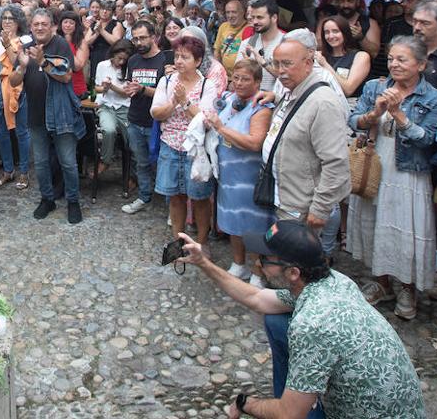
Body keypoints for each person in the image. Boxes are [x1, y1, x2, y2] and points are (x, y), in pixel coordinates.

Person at [177, 220, 425, 419]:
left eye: (265, 260)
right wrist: (203, 263)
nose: (258, 263)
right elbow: (256, 297)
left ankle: (299, 397)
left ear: (293, 272)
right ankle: (297, 392)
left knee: (290, 405)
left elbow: (289, 414)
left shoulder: (311, 324)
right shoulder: (335, 281)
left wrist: (246, 403)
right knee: (276, 320)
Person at [347, 36, 437, 319]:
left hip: (408, 170)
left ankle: (406, 287)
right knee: (374, 223)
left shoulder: (434, 97)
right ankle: (381, 283)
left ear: (421, 64)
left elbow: (427, 140)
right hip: (375, 161)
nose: (394, 64)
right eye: (391, 59)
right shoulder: (374, 87)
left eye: (402, 59)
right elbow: (353, 121)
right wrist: (374, 114)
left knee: (403, 226)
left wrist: (399, 116)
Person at [259, 38, 350, 256]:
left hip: (302, 204)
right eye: (277, 64)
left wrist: (320, 209)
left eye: (287, 63)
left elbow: (336, 163)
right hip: (285, 196)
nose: (280, 71)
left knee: (298, 263)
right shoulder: (291, 91)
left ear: (308, 63)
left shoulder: (322, 102)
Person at [206, 59, 275, 286]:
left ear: (257, 82)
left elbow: (255, 142)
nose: (239, 83)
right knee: (232, 218)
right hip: (229, 174)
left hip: (249, 176)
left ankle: (258, 270)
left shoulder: (261, 107)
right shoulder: (229, 100)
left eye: (245, 79)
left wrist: (221, 128)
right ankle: (238, 263)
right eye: (236, 78)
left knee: (252, 224)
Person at [13, 8, 86, 225]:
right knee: (42, 163)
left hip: (61, 114)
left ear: (52, 26)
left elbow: (65, 77)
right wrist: (22, 68)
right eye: (36, 24)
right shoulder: (26, 48)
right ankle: (47, 199)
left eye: (44, 24)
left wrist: (43, 61)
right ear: (31, 27)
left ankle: (73, 201)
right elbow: (15, 82)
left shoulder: (60, 44)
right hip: (36, 115)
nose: (40, 28)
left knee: (68, 162)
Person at [150, 33, 225, 242]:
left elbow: (206, 120)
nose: (179, 61)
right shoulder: (167, 81)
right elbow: (155, 113)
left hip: (196, 150)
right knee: (175, 198)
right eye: (177, 56)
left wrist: (184, 102)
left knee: (200, 199)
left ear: (198, 61)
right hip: (170, 145)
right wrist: (173, 103)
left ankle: (201, 243)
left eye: (185, 57)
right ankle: (178, 241)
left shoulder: (206, 85)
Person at [121, 20, 169, 214]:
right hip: (135, 118)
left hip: (157, 122)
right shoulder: (133, 60)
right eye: (135, 39)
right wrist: (130, 90)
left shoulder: (165, 60)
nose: (139, 43)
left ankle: (170, 206)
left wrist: (143, 89)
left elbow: (167, 93)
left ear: (154, 37)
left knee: (162, 163)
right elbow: (131, 85)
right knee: (140, 162)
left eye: (142, 38)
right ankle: (144, 196)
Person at [0, 5, 31, 188]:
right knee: (1, 133)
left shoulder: (25, 39)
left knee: (21, 132)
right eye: (4, 18)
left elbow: (17, 64)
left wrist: (7, 44)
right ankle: (8, 170)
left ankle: (24, 172)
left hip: (18, 91)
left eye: (11, 19)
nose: (7, 21)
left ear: (18, 22)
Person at [94, 39, 134, 180]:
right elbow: (97, 88)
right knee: (108, 130)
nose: (121, 62)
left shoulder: (130, 67)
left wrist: (111, 87)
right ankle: (106, 160)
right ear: (113, 54)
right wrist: (104, 88)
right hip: (107, 105)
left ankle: (132, 172)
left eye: (124, 59)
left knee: (132, 137)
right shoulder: (102, 65)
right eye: (119, 58)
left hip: (125, 107)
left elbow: (127, 92)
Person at [314, 16, 370, 103]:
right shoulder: (320, 55)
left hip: (349, 106)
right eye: (327, 32)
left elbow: (348, 90)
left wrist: (325, 65)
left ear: (345, 32)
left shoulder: (361, 56)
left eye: (335, 31)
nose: (331, 36)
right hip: (321, 102)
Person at [240, 0, 285, 91]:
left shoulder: (287, 43)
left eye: (260, 17)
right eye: (253, 17)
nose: (255, 22)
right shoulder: (247, 44)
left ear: (274, 18)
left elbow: (291, 79)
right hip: (253, 102)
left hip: (278, 102)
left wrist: (264, 65)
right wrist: (248, 68)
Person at [215, 0, 251, 73]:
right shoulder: (223, 26)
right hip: (225, 76)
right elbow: (217, 50)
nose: (230, 16)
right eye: (228, 12)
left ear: (242, 12)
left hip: (243, 76)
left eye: (234, 12)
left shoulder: (250, 28)